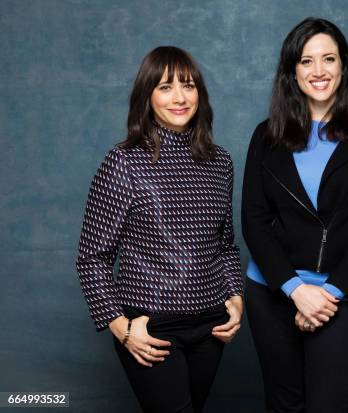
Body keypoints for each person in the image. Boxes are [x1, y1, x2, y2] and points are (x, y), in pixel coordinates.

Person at [242, 17, 348, 413]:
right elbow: (254, 220)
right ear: (291, 72)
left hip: (342, 295)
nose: (319, 71)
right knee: (284, 406)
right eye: (306, 61)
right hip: (273, 293)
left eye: (328, 59)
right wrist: (295, 290)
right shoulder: (266, 135)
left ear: (343, 66)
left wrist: (327, 296)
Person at [76, 46, 244, 413]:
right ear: (147, 96)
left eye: (188, 85)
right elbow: (92, 257)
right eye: (166, 87)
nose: (180, 97)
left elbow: (226, 245)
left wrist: (235, 298)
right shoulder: (123, 161)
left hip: (211, 325)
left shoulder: (221, 162)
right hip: (151, 328)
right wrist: (122, 328)